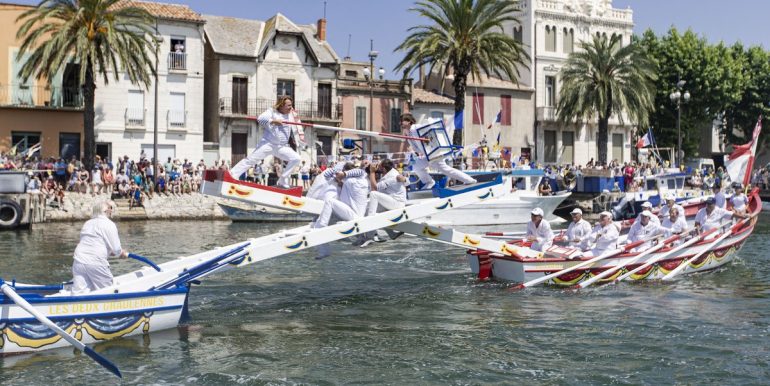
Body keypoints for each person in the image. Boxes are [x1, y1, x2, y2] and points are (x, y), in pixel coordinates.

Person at [229, 96, 303, 188]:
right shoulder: (271, 111)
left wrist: (296, 139)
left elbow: (296, 128)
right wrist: (273, 121)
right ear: (281, 105)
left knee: (296, 158)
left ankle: (283, 180)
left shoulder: (292, 114)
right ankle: (232, 174)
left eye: (291, 105)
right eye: (289, 105)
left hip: (281, 146)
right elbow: (260, 119)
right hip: (268, 143)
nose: (291, 107)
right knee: (252, 159)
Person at [402, 113, 476, 190]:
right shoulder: (408, 134)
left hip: (434, 154)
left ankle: (470, 180)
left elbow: (430, 125)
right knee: (417, 166)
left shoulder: (416, 128)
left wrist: (429, 140)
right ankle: (429, 182)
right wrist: (419, 149)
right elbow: (416, 148)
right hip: (427, 155)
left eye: (402, 121)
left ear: (409, 122)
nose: (400, 123)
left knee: (446, 170)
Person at [312, 162, 370, 259]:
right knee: (321, 220)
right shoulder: (361, 180)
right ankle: (324, 251)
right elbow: (359, 172)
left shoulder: (352, 180)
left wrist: (339, 173)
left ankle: (322, 227)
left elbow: (327, 175)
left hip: (353, 215)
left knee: (329, 202)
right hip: (352, 213)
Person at [71, 200, 128, 294]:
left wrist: (111, 252)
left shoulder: (87, 223)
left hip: (79, 260)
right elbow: (117, 249)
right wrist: (121, 254)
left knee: (78, 292)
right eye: (111, 208)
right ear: (105, 211)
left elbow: (89, 242)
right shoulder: (109, 224)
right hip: (96, 262)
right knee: (107, 291)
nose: (111, 211)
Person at [360, 159, 409, 246]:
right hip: (392, 200)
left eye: (379, 166)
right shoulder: (389, 173)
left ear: (384, 169)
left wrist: (372, 172)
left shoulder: (392, 177)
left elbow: (374, 188)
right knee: (366, 209)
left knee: (374, 194)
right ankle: (391, 234)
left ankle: (370, 225)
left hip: (397, 203)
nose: (377, 167)